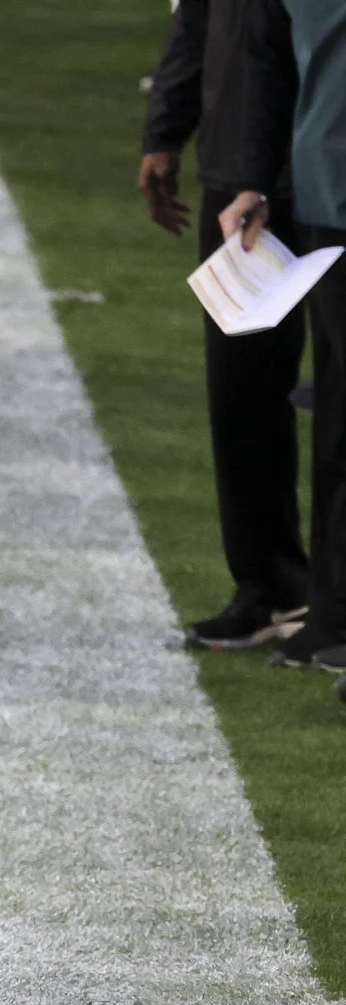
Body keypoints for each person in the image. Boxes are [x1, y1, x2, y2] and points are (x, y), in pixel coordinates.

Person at [141, 0, 309, 650]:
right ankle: (272, 585)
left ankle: (326, 600)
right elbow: (197, 20)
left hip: (318, 174)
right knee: (240, 394)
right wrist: (164, 132)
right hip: (238, 179)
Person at [220, 0, 346, 671]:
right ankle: (332, 617)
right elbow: (269, 58)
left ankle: (332, 618)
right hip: (324, 191)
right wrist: (255, 179)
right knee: (335, 420)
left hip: (322, 182)